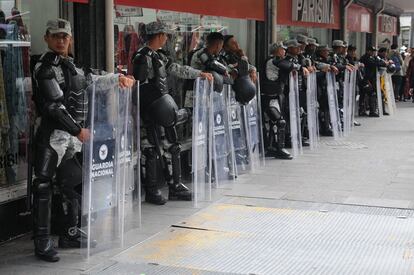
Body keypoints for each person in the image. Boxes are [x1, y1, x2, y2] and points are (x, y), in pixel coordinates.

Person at [31, 19, 135, 262]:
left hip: (74, 138)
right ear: (47, 38)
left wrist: (118, 78)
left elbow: (94, 79)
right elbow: (54, 107)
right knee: (43, 185)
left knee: (75, 183)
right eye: (55, 36)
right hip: (53, 135)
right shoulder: (44, 67)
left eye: (64, 37)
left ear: (70, 39)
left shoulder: (74, 66)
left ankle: (70, 232)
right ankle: (42, 240)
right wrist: (77, 130)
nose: (60, 41)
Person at [132, 22, 212, 205]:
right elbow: (139, 87)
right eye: (165, 35)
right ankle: (151, 190)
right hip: (148, 111)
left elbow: (177, 69)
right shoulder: (141, 57)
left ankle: (175, 186)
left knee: (172, 146)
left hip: (162, 108)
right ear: (159, 35)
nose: (166, 38)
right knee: (150, 150)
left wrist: (199, 74)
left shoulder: (158, 56)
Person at [260, 42, 292, 159]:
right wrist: (297, 65)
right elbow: (288, 66)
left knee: (272, 123)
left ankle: (271, 147)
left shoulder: (278, 60)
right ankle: (279, 148)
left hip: (277, 96)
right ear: (277, 50)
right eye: (282, 49)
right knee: (279, 122)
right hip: (269, 97)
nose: (284, 51)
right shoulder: (273, 61)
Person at [279, 39, 308, 148]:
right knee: (288, 114)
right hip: (288, 91)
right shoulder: (286, 60)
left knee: (299, 113)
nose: (299, 49)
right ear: (290, 48)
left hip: (298, 90)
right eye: (296, 47)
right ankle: (288, 137)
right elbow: (288, 66)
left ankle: (298, 135)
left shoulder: (299, 59)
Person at [314, 45, 338, 136]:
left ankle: (327, 126)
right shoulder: (318, 59)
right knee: (323, 108)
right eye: (325, 51)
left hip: (326, 86)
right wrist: (324, 71)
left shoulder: (328, 60)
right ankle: (324, 127)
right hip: (320, 86)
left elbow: (336, 66)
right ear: (321, 51)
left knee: (327, 107)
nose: (327, 53)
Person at [359, 46, 388, 116]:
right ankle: (369, 111)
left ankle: (377, 110)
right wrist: (384, 63)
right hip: (366, 79)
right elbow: (375, 64)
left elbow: (379, 62)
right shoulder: (365, 58)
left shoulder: (373, 57)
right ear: (368, 51)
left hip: (372, 78)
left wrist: (383, 63)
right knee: (370, 93)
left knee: (375, 93)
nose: (373, 52)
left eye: (374, 51)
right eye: (371, 51)